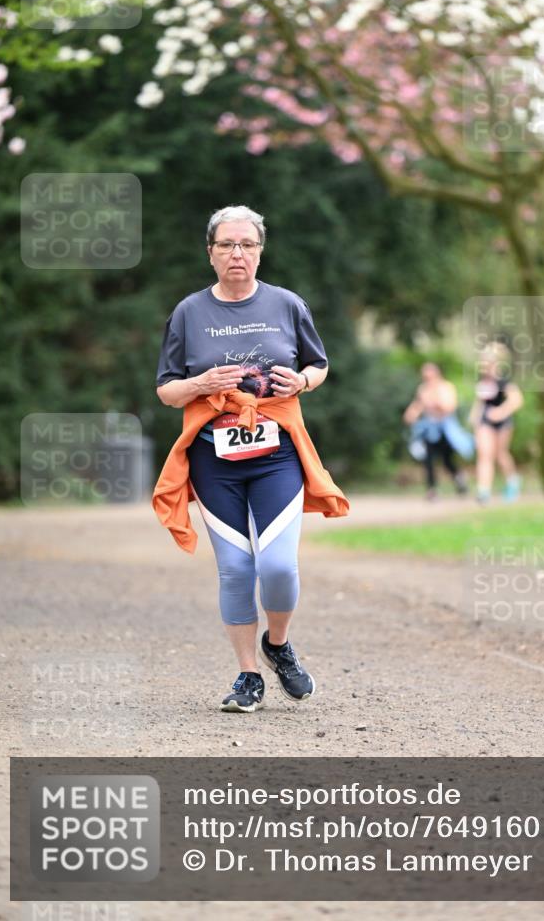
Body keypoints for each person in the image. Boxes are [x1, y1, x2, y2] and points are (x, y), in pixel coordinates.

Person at [153, 205, 348, 713]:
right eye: (227, 244)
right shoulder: (189, 312)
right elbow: (167, 390)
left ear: (260, 252)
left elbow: (319, 364)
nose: (237, 253)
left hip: (276, 455)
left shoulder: (287, 304)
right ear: (211, 253)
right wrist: (200, 384)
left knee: (278, 566)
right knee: (237, 569)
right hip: (213, 459)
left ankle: (277, 645)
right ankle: (248, 676)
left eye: (247, 244)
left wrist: (301, 381)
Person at [403, 362, 471, 499]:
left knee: (447, 460)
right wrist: (411, 414)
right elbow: (418, 405)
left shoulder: (446, 387)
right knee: (428, 459)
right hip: (430, 429)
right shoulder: (423, 389)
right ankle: (432, 489)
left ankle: (459, 479)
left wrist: (436, 402)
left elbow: (450, 407)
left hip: (446, 429)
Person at [468, 342, 524, 503]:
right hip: (485, 421)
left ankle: (512, 482)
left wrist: (500, 412)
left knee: (501, 454)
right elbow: (480, 402)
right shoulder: (482, 382)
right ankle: (483, 491)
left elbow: (517, 400)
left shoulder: (503, 381)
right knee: (484, 455)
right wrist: (474, 417)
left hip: (502, 422)